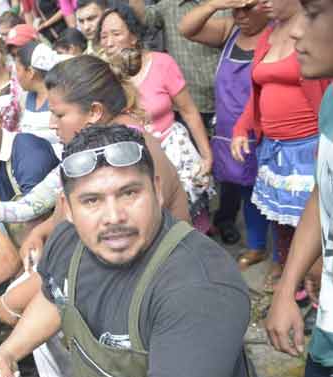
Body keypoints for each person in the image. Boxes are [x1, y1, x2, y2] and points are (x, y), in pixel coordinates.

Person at [0, 124, 274, 377]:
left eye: (129, 193)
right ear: (67, 208)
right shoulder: (66, 243)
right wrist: (9, 351)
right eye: (91, 201)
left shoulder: (198, 283)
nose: (113, 216)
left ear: (156, 188)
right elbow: (56, 295)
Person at [0, 55, 190, 259]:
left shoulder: (117, 154)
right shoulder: (111, 139)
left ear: (94, 112)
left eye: (60, 115)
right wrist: (40, 232)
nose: (52, 124)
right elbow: (56, 212)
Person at [265, 0, 333, 377]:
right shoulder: (330, 99)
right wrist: (288, 285)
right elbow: (321, 190)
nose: (296, 35)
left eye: (314, 14)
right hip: (326, 329)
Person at [231, 0, 330, 292]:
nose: (264, 3)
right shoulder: (268, 35)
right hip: (274, 148)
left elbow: (324, 95)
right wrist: (241, 127)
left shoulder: (317, 37)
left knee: (313, 220)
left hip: (307, 146)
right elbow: (257, 93)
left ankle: (315, 284)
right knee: (281, 216)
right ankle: (288, 271)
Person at [98, 4, 214, 232]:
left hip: (174, 152)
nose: (109, 42)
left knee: (190, 222)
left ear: (134, 37)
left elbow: (189, 111)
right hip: (133, 161)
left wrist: (206, 156)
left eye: (116, 34)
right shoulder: (102, 75)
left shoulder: (162, 63)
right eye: (103, 36)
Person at [180, 0, 270, 257]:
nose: (240, 15)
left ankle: (280, 256)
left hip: (266, 129)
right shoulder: (230, 29)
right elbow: (186, 29)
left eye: (248, 7)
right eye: (235, 8)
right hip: (232, 131)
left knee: (271, 194)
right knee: (246, 190)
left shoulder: (280, 33)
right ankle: (257, 246)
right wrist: (216, 4)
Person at [129, 0, 225, 121]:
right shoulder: (168, 5)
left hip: (227, 101)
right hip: (187, 105)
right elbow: (142, 18)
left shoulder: (227, 4)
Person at [15, 41, 64, 152]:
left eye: (18, 69)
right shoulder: (25, 98)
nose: (16, 75)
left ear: (31, 72)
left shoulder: (62, 98)